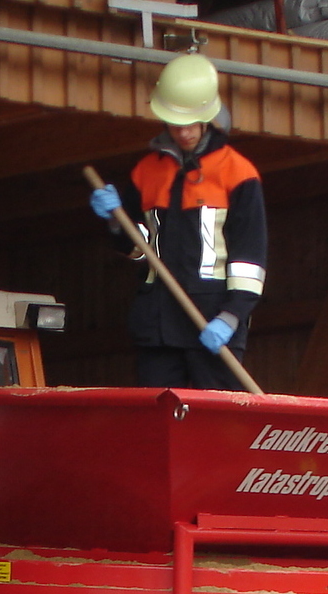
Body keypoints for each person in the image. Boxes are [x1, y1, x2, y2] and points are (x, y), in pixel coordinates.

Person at [88, 53, 267, 391]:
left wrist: (230, 318)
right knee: (155, 423)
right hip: (157, 324)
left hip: (211, 322)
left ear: (208, 118)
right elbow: (139, 250)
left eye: (190, 124)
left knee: (217, 424)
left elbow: (250, 259)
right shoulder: (146, 172)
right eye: (175, 123)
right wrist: (115, 221)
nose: (183, 132)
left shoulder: (238, 174)